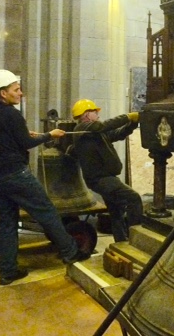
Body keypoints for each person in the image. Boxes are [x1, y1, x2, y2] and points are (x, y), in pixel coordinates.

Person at [0, 69, 89, 286]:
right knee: (47, 212)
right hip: (16, 175)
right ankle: (70, 252)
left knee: (8, 222)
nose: (20, 93)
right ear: (3, 93)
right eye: (16, 89)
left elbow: (5, 137)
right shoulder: (11, 114)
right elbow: (26, 143)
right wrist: (51, 135)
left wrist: (23, 134)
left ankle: (8, 271)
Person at [68, 99, 143, 242]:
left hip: (106, 178)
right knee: (134, 198)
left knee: (116, 212)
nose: (97, 114)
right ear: (86, 115)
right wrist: (127, 117)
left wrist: (133, 123)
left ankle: (121, 243)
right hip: (100, 180)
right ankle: (136, 237)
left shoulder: (95, 134)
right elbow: (103, 125)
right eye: (95, 112)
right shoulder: (81, 130)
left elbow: (118, 134)